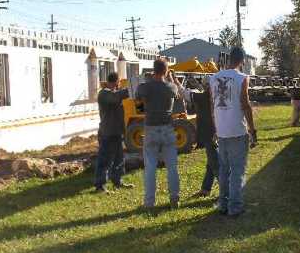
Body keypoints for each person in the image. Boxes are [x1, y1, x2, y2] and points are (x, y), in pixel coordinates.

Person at [209, 47, 257, 217]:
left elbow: (212, 105)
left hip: (221, 130)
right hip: (237, 129)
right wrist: (252, 129)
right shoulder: (242, 78)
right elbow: (245, 105)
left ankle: (223, 203)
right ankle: (235, 207)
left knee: (224, 169)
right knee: (237, 170)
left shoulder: (213, 78)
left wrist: (215, 128)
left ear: (229, 59)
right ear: (242, 60)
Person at [136, 59, 181, 209]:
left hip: (151, 128)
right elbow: (176, 92)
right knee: (172, 167)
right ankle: (174, 199)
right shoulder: (171, 87)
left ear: (153, 70)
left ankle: (149, 203)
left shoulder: (145, 87)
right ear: (166, 70)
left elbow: (137, 98)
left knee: (150, 168)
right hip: (167, 128)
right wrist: (170, 78)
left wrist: (148, 79)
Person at [179, 76, 219, 198]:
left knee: (215, 163)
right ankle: (205, 189)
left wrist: (174, 81)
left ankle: (226, 192)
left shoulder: (203, 97)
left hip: (209, 134)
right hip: (217, 133)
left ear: (207, 86)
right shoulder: (216, 97)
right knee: (211, 163)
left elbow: (185, 94)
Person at [94, 72, 134, 193]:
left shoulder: (112, 93)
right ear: (116, 81)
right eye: (118, 83)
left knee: (118, 159)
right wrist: (132, 88)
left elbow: (118, 96)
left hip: (116, 132)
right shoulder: (104, 94)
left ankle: (118, 181)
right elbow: (116, 97)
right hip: (107, 133)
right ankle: (100, 185)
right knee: (104, 160)